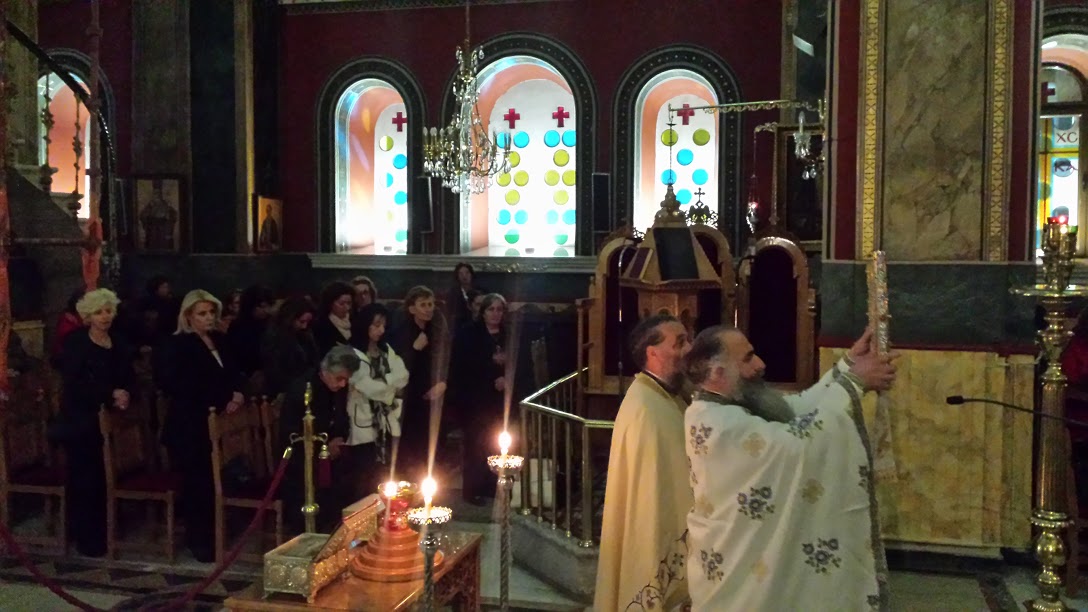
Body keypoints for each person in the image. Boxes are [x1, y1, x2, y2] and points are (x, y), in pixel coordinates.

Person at [669, 326, 895, 611]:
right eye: (748, 358)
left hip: (739, 548)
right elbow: (798, 444)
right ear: (717, 373)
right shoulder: (719, 424)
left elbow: (797, 408)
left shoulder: (727, 407)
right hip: (736, 557)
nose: (760, 364)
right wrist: (853, 382)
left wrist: (847, 364)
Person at [594, 313, 692, 612]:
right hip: (657, 533)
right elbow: (651, 497)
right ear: (653, 353)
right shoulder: (645, 410)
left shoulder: (667, 397)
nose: (689, 349)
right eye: (679, 343)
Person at [154, 290, 246, 562]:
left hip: (218, 422)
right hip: (190, 425)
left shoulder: (219, 339)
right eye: (202, 313)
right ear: (188, 316)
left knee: (216, 480)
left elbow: (234, 371)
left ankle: (217, 533)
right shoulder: (177, 345)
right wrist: (224, 396)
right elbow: (180, 384)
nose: (208, 318)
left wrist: (238, 392)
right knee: (197, 484)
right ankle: (200, 541)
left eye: (211, 313)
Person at [54, 289, 133, 557]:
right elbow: (74, 384)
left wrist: (125, 392)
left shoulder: (118, 341)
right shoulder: (76, 342)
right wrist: (109, 394)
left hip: (110, 420)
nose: (105, 316)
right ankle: (87, 537)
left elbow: (127, 375)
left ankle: (108, 529)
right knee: (86, 478)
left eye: (108, 311)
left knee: (103, 476)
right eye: (99, 312)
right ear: (88, 316)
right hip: (81, 420)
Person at [279, 346, 360, 533]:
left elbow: (342, 418)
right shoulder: (302, 390)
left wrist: (339, 437)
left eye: (346, 379)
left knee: (357, 476)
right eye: (339, 378)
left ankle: (340, 532)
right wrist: (324, 448)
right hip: (301, 462)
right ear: (326, 371)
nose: (343, 384)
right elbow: (293, 434)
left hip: (328, 456)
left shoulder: (337, 388)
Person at [345, 304, 409, 501]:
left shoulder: (386, 349)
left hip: (386, 421)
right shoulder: (353, 354)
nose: (381, 330)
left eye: (383, 325)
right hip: (363, 420)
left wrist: (385, 384)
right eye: (376, 325)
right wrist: (390, 386)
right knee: (365, 473)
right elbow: (368, 387)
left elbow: (403, 375)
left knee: (384, 472)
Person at [450, 293, 509, 505]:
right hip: (475, 399)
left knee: (495, 442)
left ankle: (492, 485)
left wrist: (506, 376)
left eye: (499, 309)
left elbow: (518, 362)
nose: (495, 314)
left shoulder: (506, 334)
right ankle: (472, 489)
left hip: (499, 400)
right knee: (475, 444)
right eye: (491, 309)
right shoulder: (469, 333)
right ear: (483, 312)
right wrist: (491, 366)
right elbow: (463, 365)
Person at [393, 286, 447, 478]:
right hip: (411, 397)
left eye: (430, 304)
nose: (428, 309)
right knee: (411, 447)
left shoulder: (438, 330)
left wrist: (443, 383)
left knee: (432, 447)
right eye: (423, 305)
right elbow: (398, 367)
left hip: (435, 394)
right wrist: (415, 348)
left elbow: (447, 360)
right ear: (412, 308)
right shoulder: (402, 332)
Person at [261, 296, 319, 397]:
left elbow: (313, 360)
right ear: (290, 318)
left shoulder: (305, 335)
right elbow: (275, 373)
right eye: (301, 321)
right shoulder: (274, 338)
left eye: (307, 322)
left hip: (304, 387)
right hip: (285, 392)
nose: (304, 326)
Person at [312, 281, 356, 356]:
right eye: (341, 304)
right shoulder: (321, 326)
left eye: (349, 303)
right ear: (330, 303)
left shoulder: (355, 321)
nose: (347, 308)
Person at [139, 182, 179, 251]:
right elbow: (142, 216)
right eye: (155, 193)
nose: (156, 195)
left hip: (163, 231)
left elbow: (173, 216)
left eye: (158, 193)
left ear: (161, 194)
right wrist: (149, 208)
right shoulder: (150, 205)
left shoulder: (166, 205)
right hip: (152, 232)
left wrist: (168, 230)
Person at [447, 263, 481, 330]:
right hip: (459, 326)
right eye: (461, 273)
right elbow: (451, 312)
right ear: (457, 276)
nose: (464, 276)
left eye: (467, 273)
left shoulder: (480, 291)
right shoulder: (453, 293)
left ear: (471, 274)